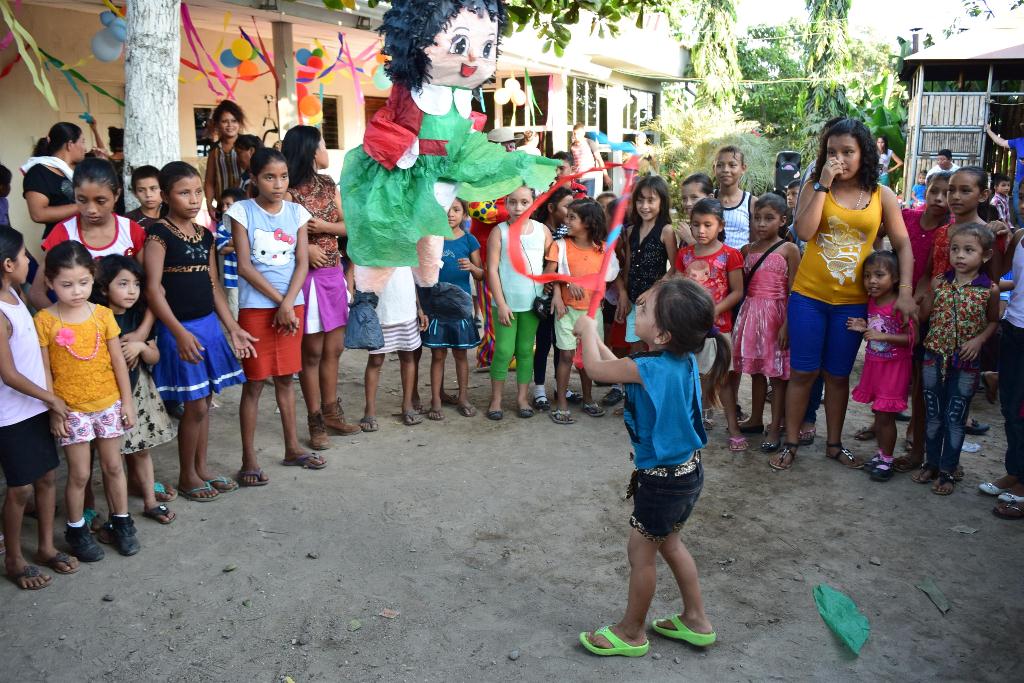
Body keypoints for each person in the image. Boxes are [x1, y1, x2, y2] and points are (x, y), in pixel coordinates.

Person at [575, 278, 725, 658]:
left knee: (641, 555)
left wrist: (586, 332)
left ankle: (630, 631)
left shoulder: (652, 367)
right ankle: (696, 619)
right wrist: (594, 338)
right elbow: (619, 366)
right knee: (670, 543)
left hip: (662, 484)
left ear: (661, 334)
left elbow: (597, 370)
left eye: (642, 310)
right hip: (687, 474)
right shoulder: (677, 358)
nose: (634, 313)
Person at [771, 118, 917, 472]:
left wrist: (905, 291)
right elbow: (804, 232)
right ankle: (791, 443)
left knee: (837, 376)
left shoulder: (882, 196)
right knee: (803, 373)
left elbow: (902, 244)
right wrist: (822, 183)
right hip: (808, 297)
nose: (840, 158)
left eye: (848, 151)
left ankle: (834, 444)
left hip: (852, 302)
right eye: (832, 152)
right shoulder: (814, 186)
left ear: (863, 153)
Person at [144, 162, 254, 501]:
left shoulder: (204, 234)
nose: (193, 199)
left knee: (206, 402)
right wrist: (177, 333)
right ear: (165, 196)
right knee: (194, 406)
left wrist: (232, 327)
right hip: (181, 330)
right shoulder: (158, 235)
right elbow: (152, 289)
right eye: (183, 193)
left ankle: (201, 468)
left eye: (196, 192)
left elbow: (213, 283)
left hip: (207, 327)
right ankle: (186, 476)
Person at [35, 241, 138, 560]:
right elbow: (44, 369)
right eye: (66, 285)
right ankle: (77, 530)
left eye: (83, 283)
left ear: (93, 278)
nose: (76, 291)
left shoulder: (103, 315)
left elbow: (119, 361)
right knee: (79, 474)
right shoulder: (45, 320)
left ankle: (121, 523)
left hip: (108, 404)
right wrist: (54, 409)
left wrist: (127, 401)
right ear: (50, 283)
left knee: (113, 466)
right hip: (71, 411)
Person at [227, 148, 316, 479]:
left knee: (286, 379)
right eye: (269, 177)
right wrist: (281, 302)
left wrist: (288, 304)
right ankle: (248, 459)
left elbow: (303, 262)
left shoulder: (296, 213)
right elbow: (246, 266)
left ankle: (292, 448)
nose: (278, 184)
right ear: (253, 178)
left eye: (283, 177)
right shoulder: (242, 212)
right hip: (256, 308)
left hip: (291, 307)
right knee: (254, 382)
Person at [0, 227, 72, 589]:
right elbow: (9, 374)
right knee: (20, 488)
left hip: (36, 406)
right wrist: (51, 398)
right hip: (10, 415)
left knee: (46, 476)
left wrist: (47, 398)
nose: (30, 262)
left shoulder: (14, 293)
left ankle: (44, 546)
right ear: (8, 263)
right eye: (25, 256)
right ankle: (13, 559)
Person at [282, 125, 361, 449]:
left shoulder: (328, 185)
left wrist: (326, 227)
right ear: (310, 150)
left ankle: (331, 412)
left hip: (332, 276)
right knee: (311, 353)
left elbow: (349, 225)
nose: (327, 149)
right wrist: (303, 249)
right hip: (303, 279)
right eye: (323, 143)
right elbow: (274, 238)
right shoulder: (286, 190)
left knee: (334, 349)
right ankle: (315, 420)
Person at [915, 224, 999, 495]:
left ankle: (949, 471)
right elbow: (925, 317)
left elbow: (993, 321)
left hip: (966, 363)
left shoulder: (989, 290)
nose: (960, 256)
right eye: (955, 249)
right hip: (933, 357)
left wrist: (978, 340)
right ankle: (931, 463)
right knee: (933, 414)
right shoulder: (940, 282)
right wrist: (928, 295)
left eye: (968, 250)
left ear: (985, 256)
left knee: (955, 417)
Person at [91, 255, 176, 523]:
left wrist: (141, 346)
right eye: (123, 284)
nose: (131, 291)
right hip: (106, 396)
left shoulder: (138, 317)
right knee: (111, 460)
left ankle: (150, 501)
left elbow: (155, 357)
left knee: (141, 449)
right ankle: (116, 512)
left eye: (136, 284)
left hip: (139, 392)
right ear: (104, 288)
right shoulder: (95, 318)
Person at [888, 170, 952, 473]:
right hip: (896, 302)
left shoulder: (951, 231)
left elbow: (931, 274)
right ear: (924, 190)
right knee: (890, 367)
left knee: (919, 378)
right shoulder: (906, 217)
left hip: (926, 309)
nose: (940, 199)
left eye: (947, 193)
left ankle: (915, 434)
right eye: (934, 191)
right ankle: (883, 425)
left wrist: (916, 304)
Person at [29, 158, 146, 310]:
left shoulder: (131, 231)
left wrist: (142, 330)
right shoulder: (64, 233)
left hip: (129, 327)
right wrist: (66, 325)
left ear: (116, 195)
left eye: (100, 201)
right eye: (82, 200)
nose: (91, 209)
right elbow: (37, 293)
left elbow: (151, 287)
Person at [675, 198, 745, 449]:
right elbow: (678, 285)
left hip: (719, 329)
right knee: (688, 377)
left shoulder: (731, 255)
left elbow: (737, 292)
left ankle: (733, 427)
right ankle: (690, 425)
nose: (701, 230)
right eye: (696, 225)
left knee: (723, 379)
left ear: (720, 225)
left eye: (707, 224)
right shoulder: (684, 255)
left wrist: (711, 311)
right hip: (689, 328)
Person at [732, 193, 799, 453]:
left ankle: (775, 426)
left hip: (777, 317)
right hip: (751, 314)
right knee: (757, 372)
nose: (761, 224)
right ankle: (756, 419)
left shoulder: (789, 249)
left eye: (769, 218)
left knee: (778, 376)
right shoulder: (746, 250)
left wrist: (788, 324)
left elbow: (795, 290)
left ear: (783, 220)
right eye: (757, 218)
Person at [546, 198, 617, 424]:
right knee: (566, 356)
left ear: (587, 223)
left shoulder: (603, 250)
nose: (566, 221)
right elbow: (549, 273)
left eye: (572, 218)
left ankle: (588, 399)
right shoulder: (560, 246)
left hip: (592, 313)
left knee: (588, 359)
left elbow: (610, 276)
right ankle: (562, 404)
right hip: (566, 311)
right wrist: (566, 283)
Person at [486, 185, 552, 419]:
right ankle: (496, 400)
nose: (518, 207)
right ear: (505, 203)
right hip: (506, 305)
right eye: (512, 202)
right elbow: (492, 270)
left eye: (524, 202)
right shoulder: (499, 232)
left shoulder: (542, 231)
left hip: (533, 304)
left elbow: (551, 262)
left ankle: (522, 398)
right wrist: (501, 303)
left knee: (525, 350)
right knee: (503, 350)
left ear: (533, 203)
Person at [848, 251, 913, 482]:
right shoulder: (872, 301)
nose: (872, 281)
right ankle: (881, 454)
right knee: (879, 413)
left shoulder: (900, 304)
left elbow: (911, 339)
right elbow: (877, 326)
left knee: (886, 417)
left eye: (879, 275)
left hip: (894, 369)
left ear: (895, 277)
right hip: (875, 365)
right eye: (867, 276)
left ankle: (887, 460)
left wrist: (882, 336)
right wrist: (863, 325)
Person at [423, 199, 482, 420]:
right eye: (446, 210)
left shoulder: (469, 240)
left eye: (456, 210)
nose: (450, 214)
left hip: (461, 308)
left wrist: (473, 267)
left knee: (460, 354)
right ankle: (436, 400)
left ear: (465, 215)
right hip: (436, 306)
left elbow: (482, 274)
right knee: (438, 355)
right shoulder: (432, 239)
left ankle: (463, 397)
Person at [985, 222, 1024, 517]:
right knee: (1010, 407)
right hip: (1014, 330)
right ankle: (1015, 472)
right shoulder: (1021, 237)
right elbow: (998, 275)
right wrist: (997, 242)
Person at [358, 266, 427, 429]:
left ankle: (407, 406)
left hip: (406, 307)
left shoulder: (407, 244)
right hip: (380, 308)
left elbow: (412, 275)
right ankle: (370, 411)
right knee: (375, 359)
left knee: (408, 356)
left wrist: (419, 307)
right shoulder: (375, 242)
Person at [618, 176, 677, 353]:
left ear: (662, 202)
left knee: (655, 347)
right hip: (633, 299)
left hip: (655, 301)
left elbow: (675, 268)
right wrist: (623, 296)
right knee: (634, 348)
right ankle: (632, 380)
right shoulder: (630, 231)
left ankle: (652, 381)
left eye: (651, 200)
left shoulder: (666, 231)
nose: (645, 206)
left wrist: (653, 291)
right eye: (640, 200)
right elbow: (627, 267)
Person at [530, 185, 574, 411]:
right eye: (567, 206)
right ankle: (538, 388)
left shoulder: (570, 231)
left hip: (563, 295)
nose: (571, 211)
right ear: (550, 208)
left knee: (561, 343)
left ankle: (561, 386)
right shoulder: (537, 230)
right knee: (544, 341)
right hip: (542, 295)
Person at [22, 122, 89, 239]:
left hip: (89, 237)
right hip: (62, 243)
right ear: (70, 144)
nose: (85, 148)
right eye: (82, 142)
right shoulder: (38, 172)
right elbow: (38, 214)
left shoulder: (80, 171)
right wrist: (84, 206)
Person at [203, 100, 246, 216]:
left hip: (246, 204)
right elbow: (210, 181)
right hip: (224, 207)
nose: (230, 125)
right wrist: (209, 203)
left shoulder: (247, 146)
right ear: (217, 124)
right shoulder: (215, 150)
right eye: (224, 121)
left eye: (234, 121)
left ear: (240, 123)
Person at [713, 146, 755, 250]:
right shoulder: (708, 198)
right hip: (710, 264)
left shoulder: (751, 202)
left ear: (743, 168)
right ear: (714, 168)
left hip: (740, 264)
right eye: (720, 165)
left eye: (732, 165)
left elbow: (754, 242)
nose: (725, 170)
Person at [214, 188, 246, 319]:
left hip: (250, 277)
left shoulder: (248, 223)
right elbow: (222, 250)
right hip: (232, 276)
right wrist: (242, 242)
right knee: (234, 307)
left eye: (228, 204)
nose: (224, 208)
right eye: (223, 205)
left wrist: (232, 243)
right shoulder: (222, 226)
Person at [985, 123, 1024, 224]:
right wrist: (989, 131)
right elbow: (1001, 142)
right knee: (1018, 210)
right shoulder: (1018, 141)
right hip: (1019, 183)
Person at [678, 173, 713, 247]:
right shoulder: (690, 227)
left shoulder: (713, 226)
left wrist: (689, 239)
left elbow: (712, 255)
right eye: (684, 198)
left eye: (694, 197)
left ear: (710, 198)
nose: (688, 203)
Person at [570, 123, 605, 196]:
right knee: (577, 200)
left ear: (583, 133)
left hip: (589, 177)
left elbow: (599, 159)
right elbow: (571, 161)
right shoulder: (572, 146)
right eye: (574, 133)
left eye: (578, 133)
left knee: (587, 200)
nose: (576, 136)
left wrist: (606, 175)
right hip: (577, 177)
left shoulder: (589, 142)